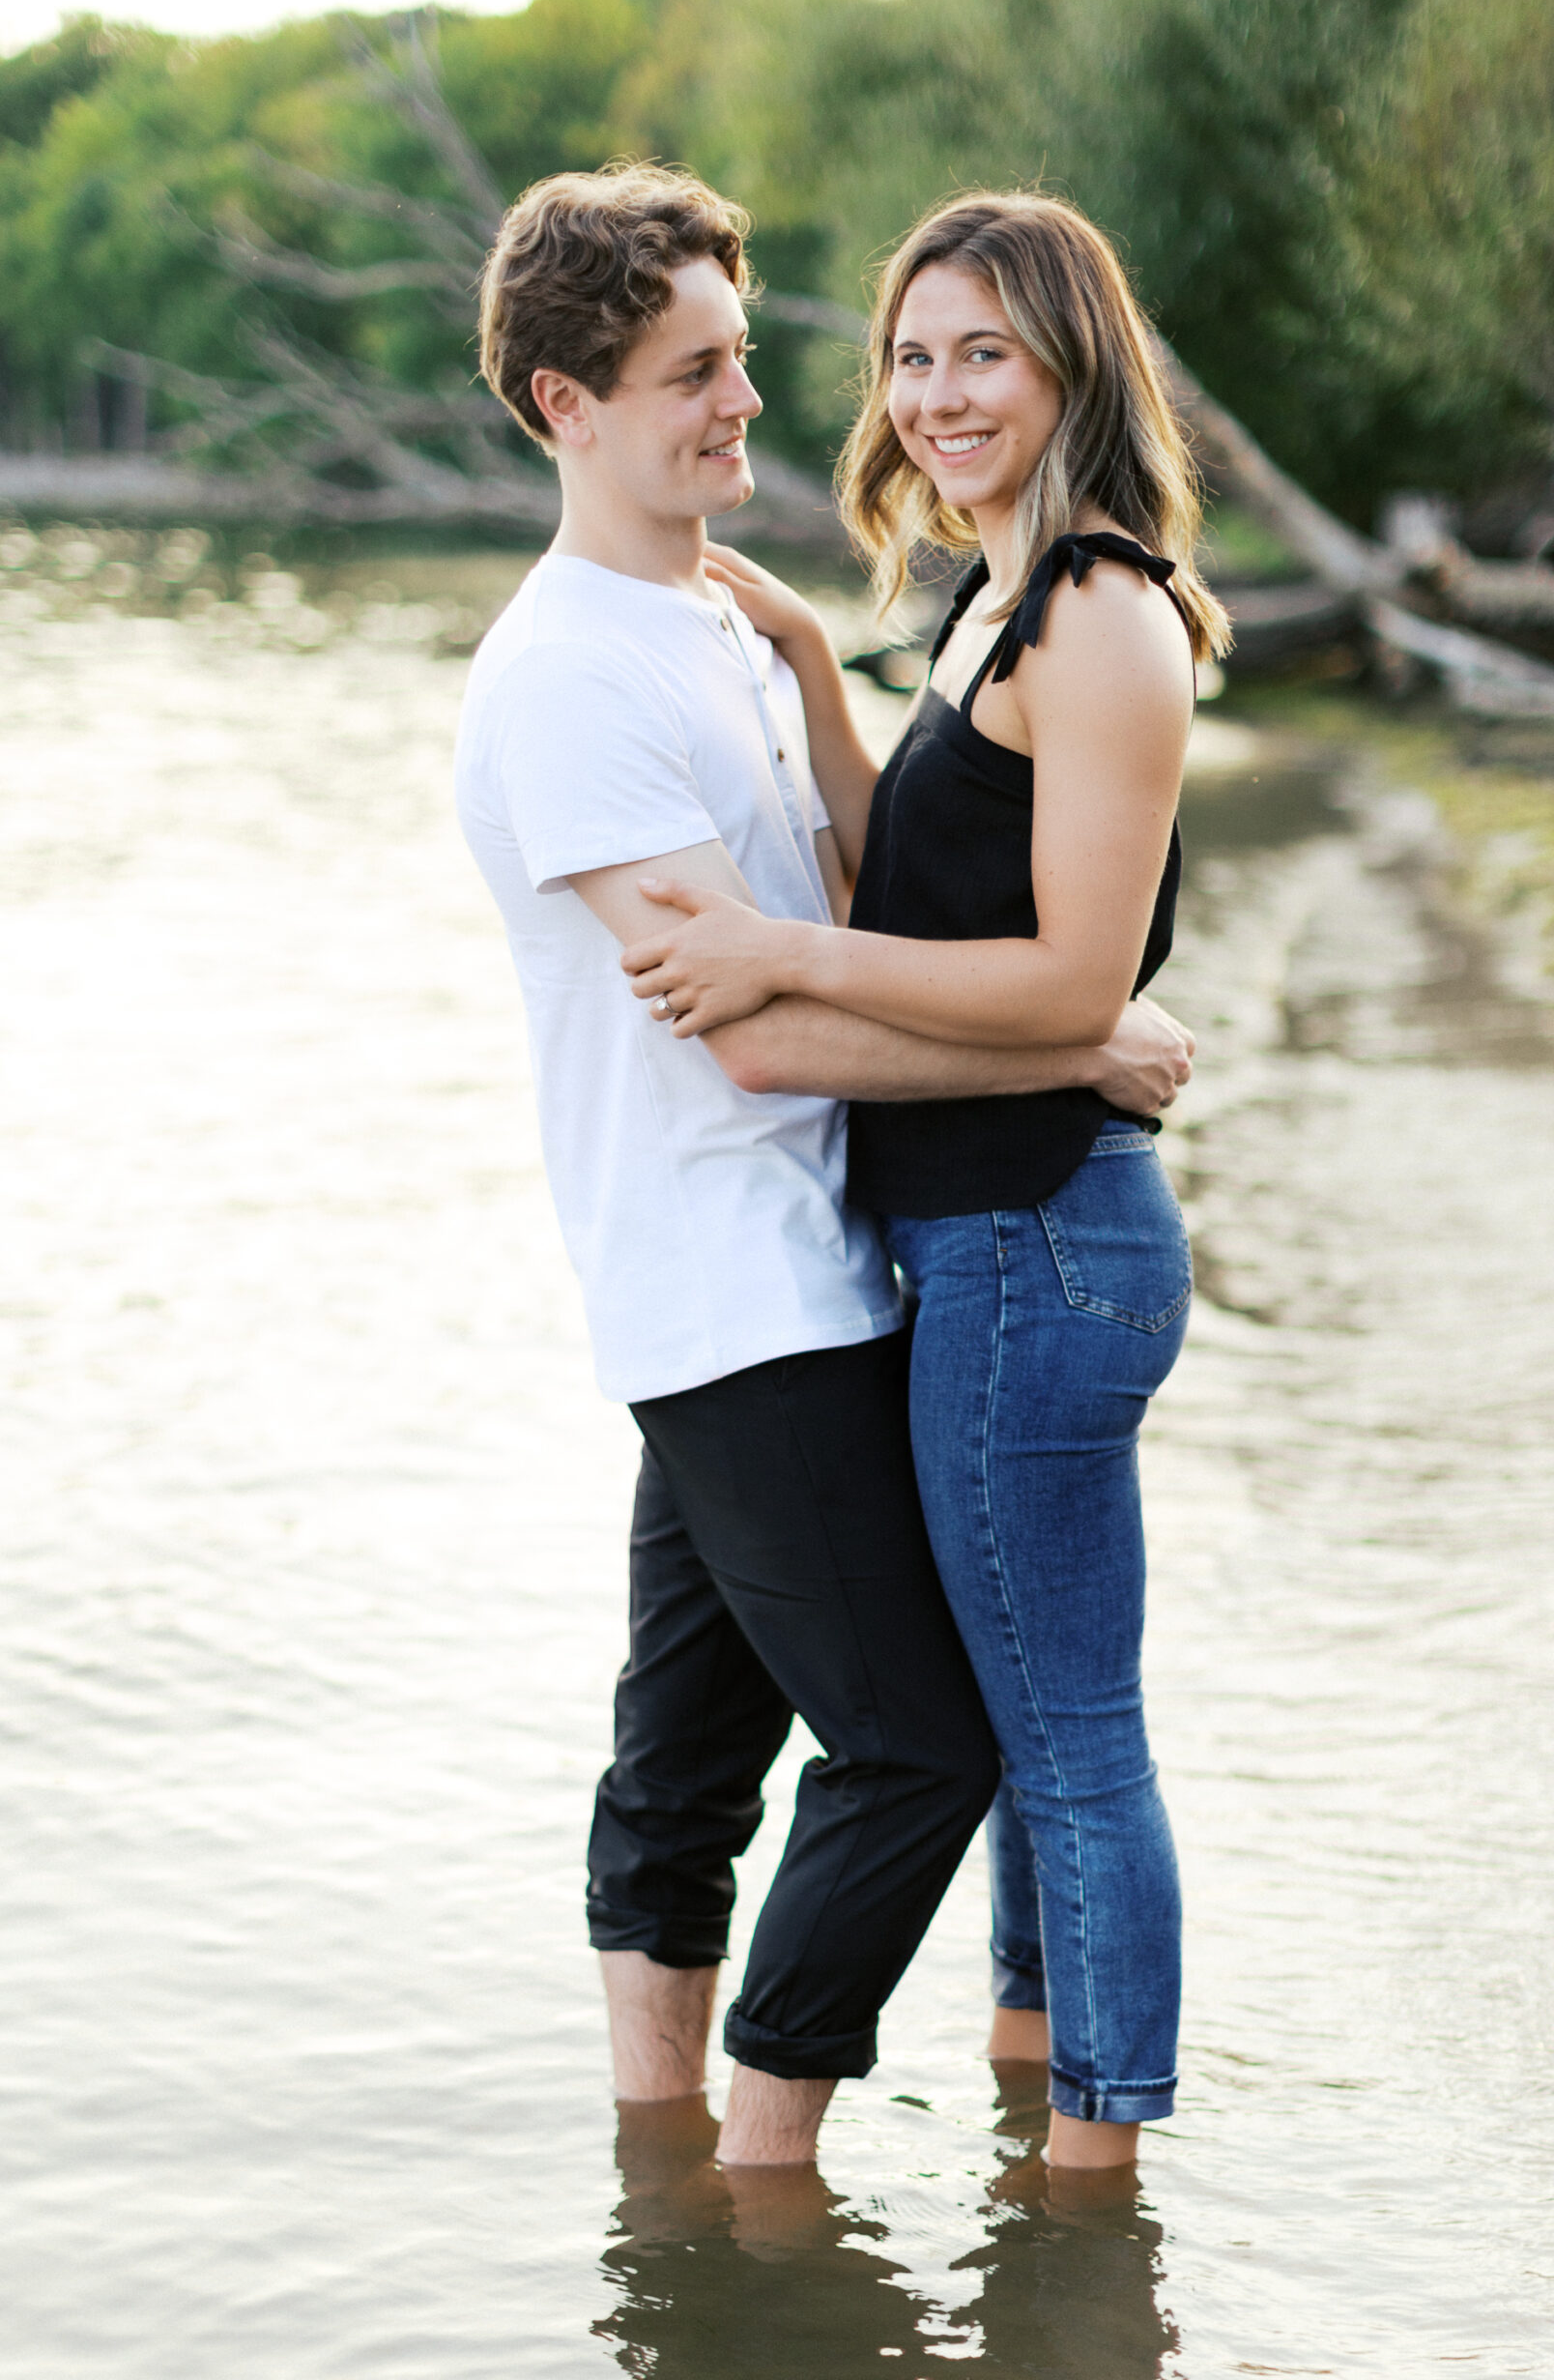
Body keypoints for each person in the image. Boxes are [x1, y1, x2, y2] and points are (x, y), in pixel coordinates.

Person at [453, 164, 1196, 2169]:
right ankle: (732, 2189)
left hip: (869, 1254)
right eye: (692, 375)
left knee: (790, 1740)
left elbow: (851, 914)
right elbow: (760, 1014)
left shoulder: (745, 622)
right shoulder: (574, 678)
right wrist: (1073, 1021)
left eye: (741, 360)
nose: (742, 409)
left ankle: (716, 2168)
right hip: (733, 1276)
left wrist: (793, 665)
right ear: (564, 404)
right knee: (896, 1740)